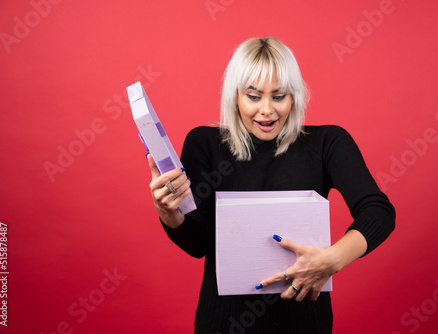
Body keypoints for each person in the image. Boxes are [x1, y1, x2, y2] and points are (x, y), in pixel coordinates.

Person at [146, 36, 395, 333]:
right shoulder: (204, 143)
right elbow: (197, 243)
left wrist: (332, 260)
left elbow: (378, 211)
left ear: (294, 97)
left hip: (305, 323)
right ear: (236, 97)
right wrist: (167, 211)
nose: (267, 110)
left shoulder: (327, 142)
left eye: (279, 97)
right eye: (253, 97)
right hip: (223, 323)